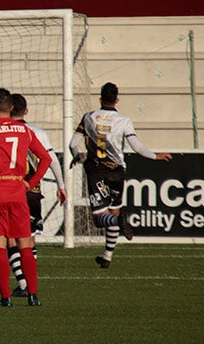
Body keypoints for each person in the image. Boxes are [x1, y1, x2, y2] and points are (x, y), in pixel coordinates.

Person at [69, 82, 172, 269]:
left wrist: (77, 157)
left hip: (96, 171)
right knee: (113, 209)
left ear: (100, 99)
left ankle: (118, 219)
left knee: (100, 218)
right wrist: (156, 156)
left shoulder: (88, 117)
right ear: (117, 99)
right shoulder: (124, 121)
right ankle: (107, 257)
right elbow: (137, 147)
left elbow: (72, 144)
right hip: (117, 172)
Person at [0, 88, 52, 307]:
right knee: (25, 243)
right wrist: (30, 183)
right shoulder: (25, 131)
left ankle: (5, 297)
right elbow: (46, 159)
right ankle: (33, 295)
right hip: (17, 190)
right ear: (12, 108)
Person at [7, 93, 67, 297]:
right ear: (26, 111)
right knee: (30, 239)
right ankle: (30, 283)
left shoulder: (2, 132)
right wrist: (61, 185)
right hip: (33, 192)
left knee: (10, 239)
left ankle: (22, 282)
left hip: (11, 192)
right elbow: (50, 159)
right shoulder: (38, 132)